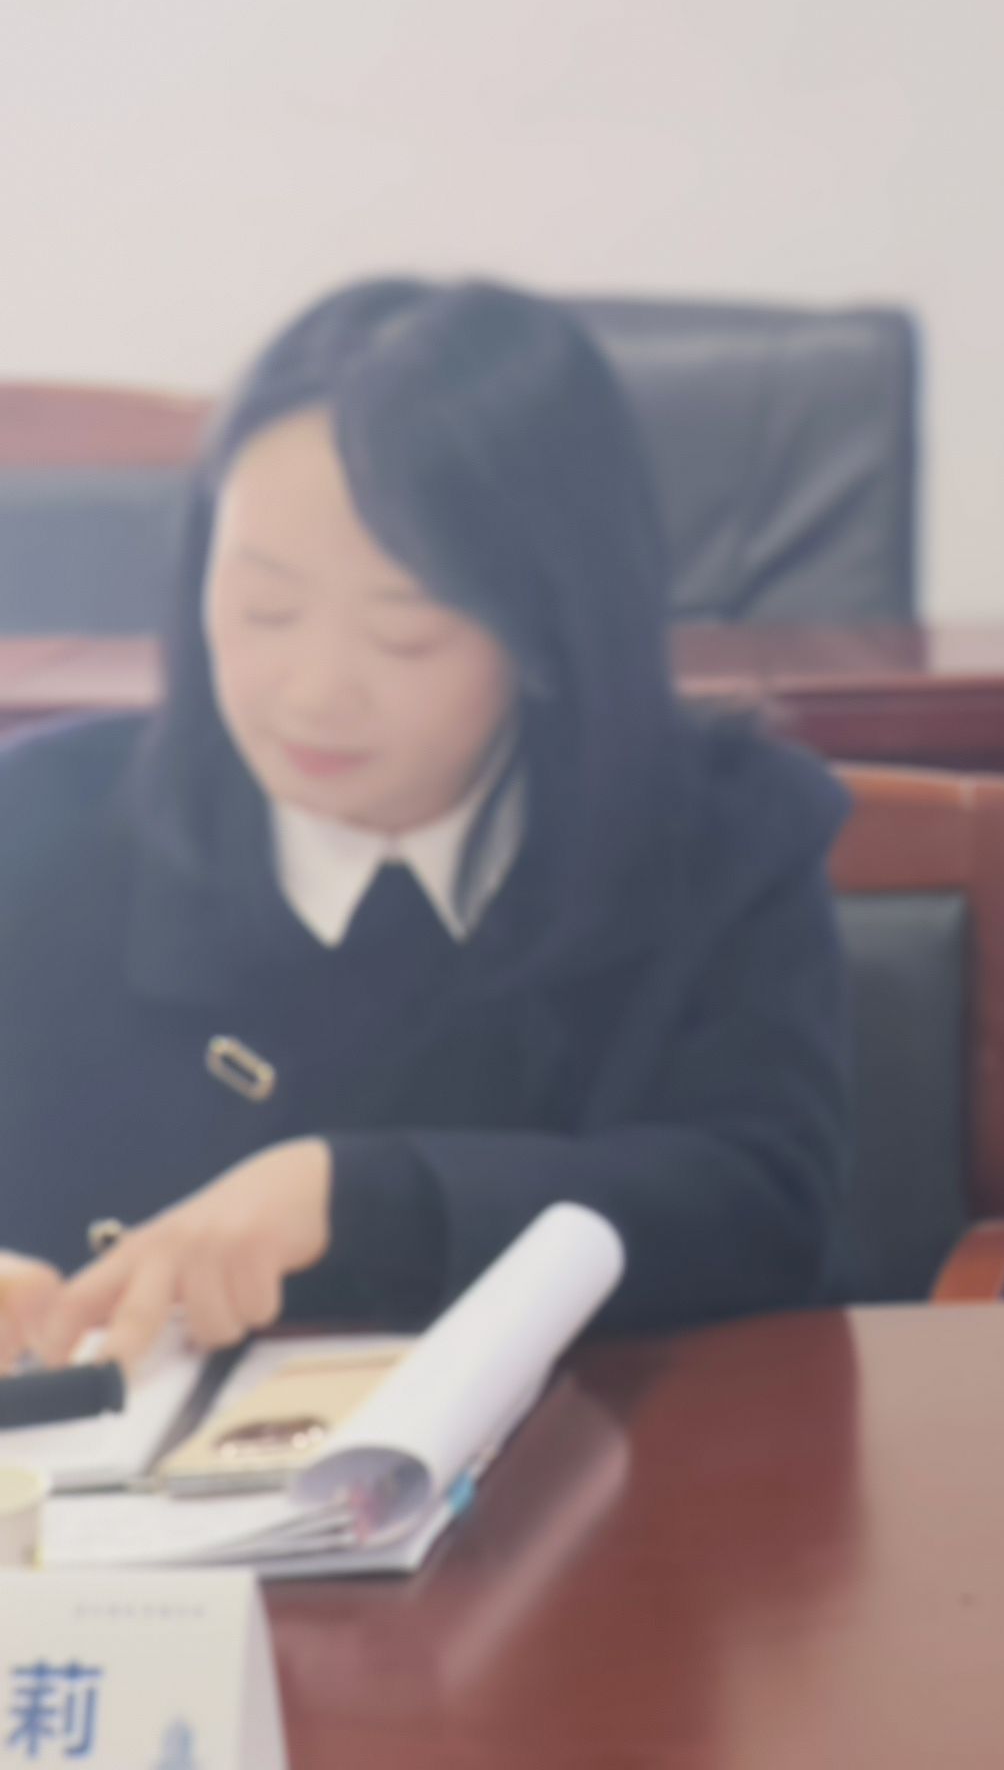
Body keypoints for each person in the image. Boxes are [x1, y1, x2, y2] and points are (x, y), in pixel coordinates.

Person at [0, 280, 854, 1367]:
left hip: (610, 1462)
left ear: (548, 630)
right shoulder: (37, 823)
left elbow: (766, 1211)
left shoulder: (720, 838)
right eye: (264, 609)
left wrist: (363, 1196)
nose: (314, 692)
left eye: (404, 635)